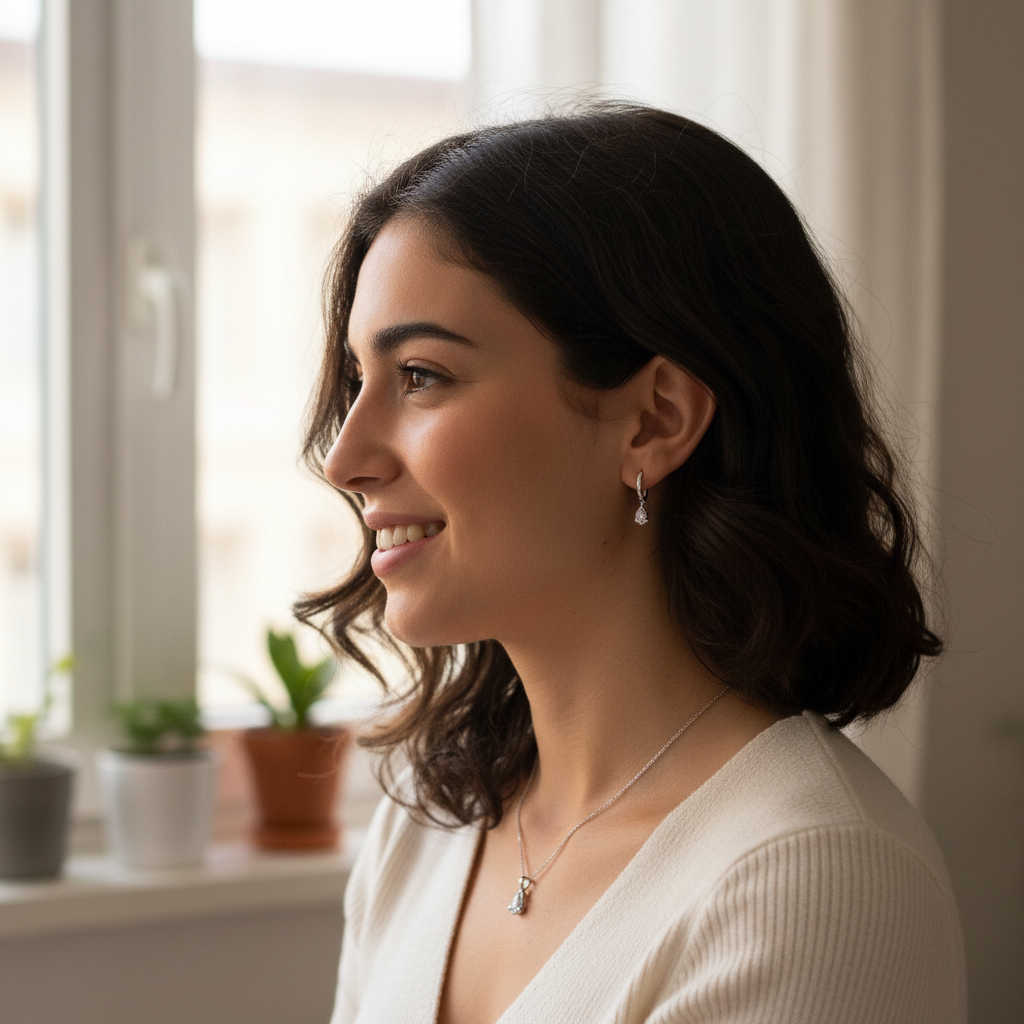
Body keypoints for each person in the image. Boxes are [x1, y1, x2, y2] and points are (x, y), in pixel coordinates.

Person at [297, 104, 967, 1024]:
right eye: (355, 382)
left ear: (655, 420)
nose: (346, 457)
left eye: (421, 376)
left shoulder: (816, 876)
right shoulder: (425, 820)